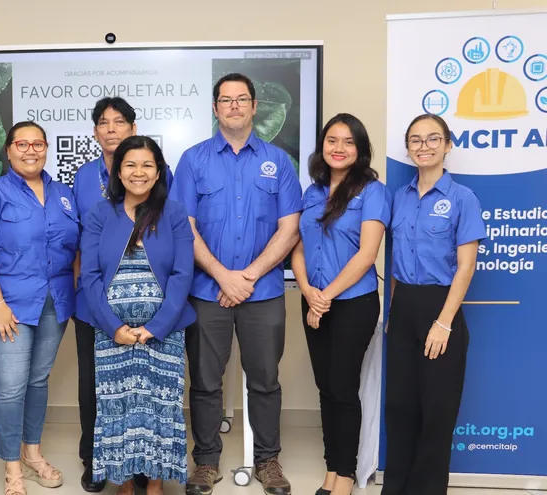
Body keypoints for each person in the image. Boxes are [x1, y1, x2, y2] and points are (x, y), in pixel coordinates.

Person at [170, 73, 303, 495]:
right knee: (206, 381)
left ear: (254, 106)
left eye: (241, 99)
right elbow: (184, 227)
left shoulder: (279, 162)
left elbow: (290, 227)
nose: (233, 106)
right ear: (214, 108)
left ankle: (268, 461)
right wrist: (223, 275)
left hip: (262, 291)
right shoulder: (193, 160)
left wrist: (246, 276)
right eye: (225, 100)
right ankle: (206, 462)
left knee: (265, 379)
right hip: (207, 291)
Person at [0, 121, 80, 495]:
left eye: (38, 143)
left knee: (37, 380)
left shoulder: (64, 194)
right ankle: (12, 467)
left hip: (54, 303)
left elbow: (74, 247)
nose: (31, 150)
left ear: (46, 148)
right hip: (6, 305)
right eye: (22, 144)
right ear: (9, 150)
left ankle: (33, 453)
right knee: (12, 387)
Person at [80, 136, 195, 495]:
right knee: (119, 408)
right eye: (130, 164)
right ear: (118, 170)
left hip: (165, 330)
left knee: (160, 408)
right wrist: (113, 327)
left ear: (158, 171)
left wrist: (155, 327)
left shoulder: (173, 212)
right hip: (111, 332)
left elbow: (182, 274)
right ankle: (126, 482)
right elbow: (90, 275)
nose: (138, 172)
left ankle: (156, 483)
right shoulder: (101, 212)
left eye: (147, 165)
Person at [71, 96, 172, 492]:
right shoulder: (81, 177)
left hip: (149, 300)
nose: (111, 128)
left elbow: (168, 229)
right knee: (94, 384)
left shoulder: (158, 171)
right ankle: (96, 460)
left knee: (144, 385)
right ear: (95, 131)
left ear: (133, 128)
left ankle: (144, 467)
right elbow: (79, 242)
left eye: (119, 122)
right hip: (94, 299)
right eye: (103, 122)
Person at [382, 114, 485, 495]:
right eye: (415, 140)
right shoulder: (399, 197)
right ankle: (395, 487)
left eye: (432, 139)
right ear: (408, 148)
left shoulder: (462, 198)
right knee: (400, 406)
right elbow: (395, 262)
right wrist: (393, 312)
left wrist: (443, 323)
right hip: (404, 307)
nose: (423, 146)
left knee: (436, 411)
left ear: (447, 144)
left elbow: (466, 266)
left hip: (441, 309)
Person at [289, 114, 390, 495]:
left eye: (349, 142)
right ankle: (331, 468)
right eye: (332, 140)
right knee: (325, 386)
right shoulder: (312, 193)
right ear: (322, 146)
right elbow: (296, 246)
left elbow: (366, 255)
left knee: (344, 389)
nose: (339, 148)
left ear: (360, 149)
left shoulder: (373, 191)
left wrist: (324, 296)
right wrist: (307, 291)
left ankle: (345, 475)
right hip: (313, 300)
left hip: (352, 303)